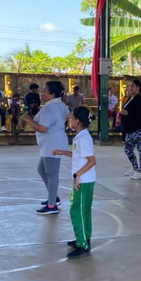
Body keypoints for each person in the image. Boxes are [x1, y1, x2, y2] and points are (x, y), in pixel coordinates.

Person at [53, 106, 97, 260]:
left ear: (78, 121)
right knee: (83, 210)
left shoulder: (83, 138)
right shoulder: (81, 136)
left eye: (72, 118)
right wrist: (63, 152)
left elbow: (91, 161)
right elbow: (80, 156)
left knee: (76, 211)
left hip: (83, 181)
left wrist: (76, 175)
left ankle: (83, 244)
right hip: (85, 180)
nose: (70, 120)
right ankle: (84, 238)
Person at [21, 81, 69, 215]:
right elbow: (67, 116)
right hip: (51, 143)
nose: (41, 94)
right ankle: (53, 197)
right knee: (42, 169)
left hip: (52, 144)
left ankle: (52, 205)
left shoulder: (50, 108)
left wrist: (27, 120)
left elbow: (42, 128)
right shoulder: (59, 104)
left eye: (44, 91)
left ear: (52, 94)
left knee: (52, 174)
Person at [119, 79, 141, 180]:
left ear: (138, 88)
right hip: (130, 129)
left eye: (133, 86)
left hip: (139, 129)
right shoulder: (130, 99)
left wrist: (127, 113)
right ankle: (135, 168)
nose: (130, 88)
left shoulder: (140, 100)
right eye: (130, 86)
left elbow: (138, 114)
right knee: (128, 149)